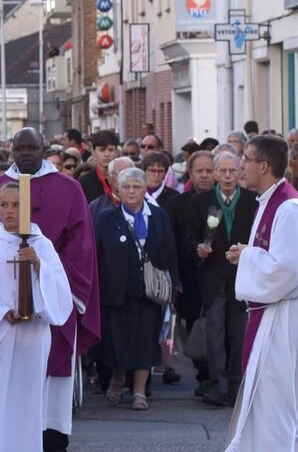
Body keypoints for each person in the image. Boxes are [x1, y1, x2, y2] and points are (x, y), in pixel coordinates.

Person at [0, 128, 100, 452]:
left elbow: (80, 249)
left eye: (31, 148)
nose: (25, 153)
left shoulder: (69, 190)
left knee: (44, 393)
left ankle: (50, 439)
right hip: (0, 326)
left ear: (42, 148)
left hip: (44, 315)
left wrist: (43, 277)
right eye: (19, 148)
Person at [224, 134, 298, 451]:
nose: (241, 165)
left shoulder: (290, 207)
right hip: (277, 311)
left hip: (284, 314)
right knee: (276, 403)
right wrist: (248, 252)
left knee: (277, 405)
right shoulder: (271, 200)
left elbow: (289, 269)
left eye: (246, 159)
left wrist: (249, 257)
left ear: (264, 165)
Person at [0, 183, 73, 452]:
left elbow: (61, 291)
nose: (9, 211)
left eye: (16, 205)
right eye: (3, 205)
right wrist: (0, 314)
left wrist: (38, 265)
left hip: (30, 338)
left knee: (24, 402)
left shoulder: (41, 245)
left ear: (28, 209)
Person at [95, 168, 178, 411]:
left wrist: (174, 285)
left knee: (145, 341)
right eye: (127, 187)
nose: (131, 191)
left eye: (137, 187)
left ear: (144, 190)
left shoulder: (159, 216)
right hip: (116, 289)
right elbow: (98, 255)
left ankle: (139, 391)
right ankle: (117, 379)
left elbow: (170, 251)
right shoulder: (107, 218)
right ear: (117, 191)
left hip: (149, 291)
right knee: (117, 340)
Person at [184, 152, 256, 407]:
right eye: (222, 171)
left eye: (232, 171)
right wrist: (198, 249)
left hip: (242, 277)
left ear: (240, 173)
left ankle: (236, 388)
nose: (227, 176)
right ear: (215, 173)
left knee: (240, 335)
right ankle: (218, 386)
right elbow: (190, 238)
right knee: (214, 334)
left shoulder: (251, 201)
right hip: (212, 277)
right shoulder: (200, 202)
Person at [168, 151, 217, 394]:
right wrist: (174, 278)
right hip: (188, 278)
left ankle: (216, 375)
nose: (205, 175)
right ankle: (202, 372)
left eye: (210, 170)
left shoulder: (224, 200)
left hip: (219, 277)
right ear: (191, 173)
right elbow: (172, 245)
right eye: (200, 171)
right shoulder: (177, 205)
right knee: (193, 327)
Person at [80, 130, 120, 203]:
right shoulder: (84, 182)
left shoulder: (125, 178)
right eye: (102, 150)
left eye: (111, 150)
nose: (107, 154)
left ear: (116, 152)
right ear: (93, 152)